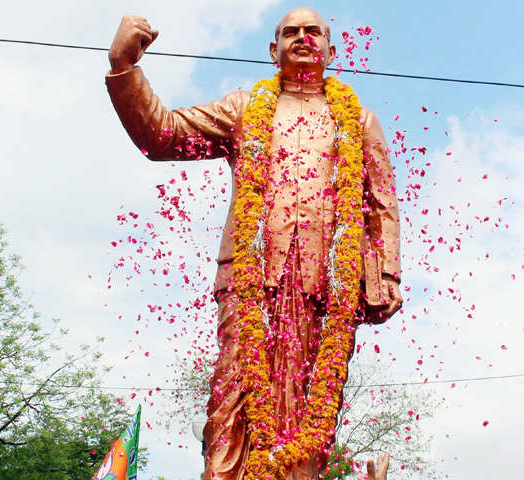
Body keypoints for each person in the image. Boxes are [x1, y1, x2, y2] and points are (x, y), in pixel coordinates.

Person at [106, 8, 401, 480]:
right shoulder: (245, 109)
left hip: (324, 286)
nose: (303, 38)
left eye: (314, 32)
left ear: (331, 49)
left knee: (309, 411)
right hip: (249, 278)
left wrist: (385, 273)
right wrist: (125, 68)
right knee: (231, 405)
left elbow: (380, 200)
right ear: (272, 50)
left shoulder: (358, 120)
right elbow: (164, 135)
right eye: (290, 32)